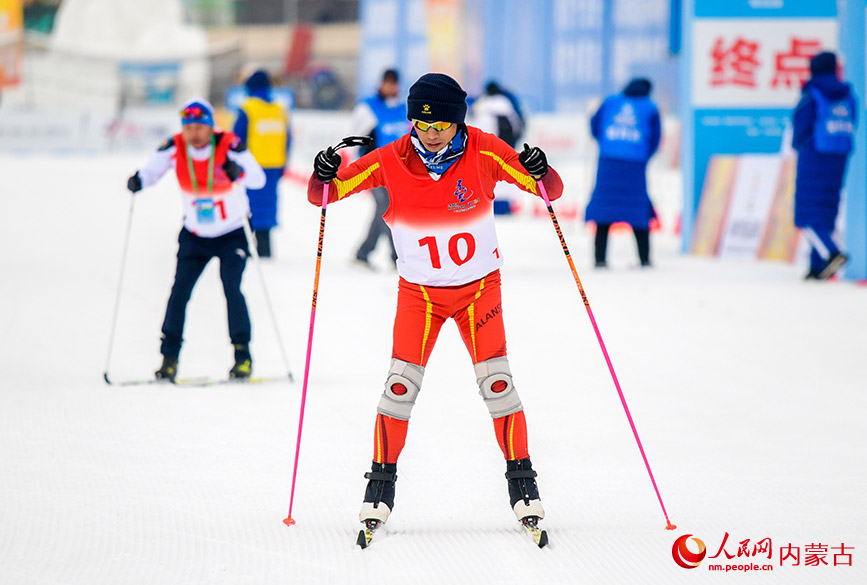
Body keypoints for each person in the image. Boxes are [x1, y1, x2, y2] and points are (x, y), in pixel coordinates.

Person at [307, 73, 564, 531]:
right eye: (421, 125)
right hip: (420, 296)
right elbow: (324, 195)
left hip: (477, 290)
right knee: (399, 388)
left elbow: (549, 191)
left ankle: (522, 482)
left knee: (498, 385)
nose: (430, 134)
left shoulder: (485, 149)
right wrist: (323, 172)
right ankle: (380, 487)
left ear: (458, 121)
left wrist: (541, 169)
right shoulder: (390, 158)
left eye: (441, 126)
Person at [126, 98, 266, 382]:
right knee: (179, 293)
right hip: (195, 235)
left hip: (233, 233)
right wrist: (139, 180)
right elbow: (152, 170)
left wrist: (238, 172)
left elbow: (258, 179)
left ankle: (243, 357)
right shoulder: (175, 146)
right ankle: (169, 359)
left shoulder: (229, 144)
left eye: (200, 127)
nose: (194, 134)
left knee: (232, 288)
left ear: (210, 126)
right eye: (188, 127)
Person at [584, 77, 661, 268]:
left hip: (608, 162)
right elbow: (656, 138)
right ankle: (644, 259)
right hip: (635, 164)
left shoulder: (610, 101)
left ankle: (599, 259)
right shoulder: (650, 107)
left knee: (604, 210)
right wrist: (641, 154)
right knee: (638, 210)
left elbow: (594, 125)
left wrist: (608, 144)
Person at [793, 51, 855, 280]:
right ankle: (817, 267)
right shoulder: (847, 95)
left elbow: (800, 125)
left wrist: (800, 146)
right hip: (840, 157)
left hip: (814, 156)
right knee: (827, 208)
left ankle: (831, 253)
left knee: (807, 214)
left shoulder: (812, 94)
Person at [350, 68, 407, 270]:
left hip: (399, 171)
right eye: (388, 83)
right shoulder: (368, 108)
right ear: (381, 83)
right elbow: (355, 139)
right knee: (386, 206)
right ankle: (397, 256)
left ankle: (364, 252)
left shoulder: (402, 109)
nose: (391, 87)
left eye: (394, 83)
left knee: (385, 210)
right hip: (374, 169)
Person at [233, 69, 291, 258]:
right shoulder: (279, 110)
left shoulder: (248, 108)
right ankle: (265, 248)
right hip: (274, 165)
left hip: (251, 165)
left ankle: (247, 247)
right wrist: (284, 162)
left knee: (248, 206)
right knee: (268, 206)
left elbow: (236, 139)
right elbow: (288, 139)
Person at [471, 80, 527, 215]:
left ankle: (492, 205)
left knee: (490, 175)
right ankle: (505, 205)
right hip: (507, 147)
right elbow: (518, 126)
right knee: (506, 175)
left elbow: (480, 129)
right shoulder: (508, 104)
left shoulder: (486, 107)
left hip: (490, 148)